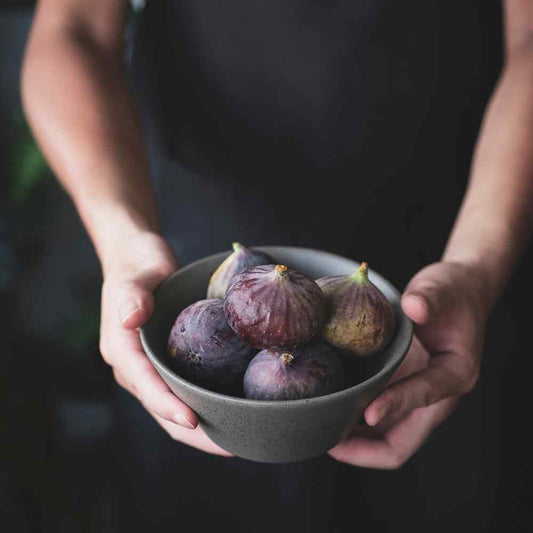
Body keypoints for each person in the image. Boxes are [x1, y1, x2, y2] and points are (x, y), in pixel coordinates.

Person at [20, 0, 533, 528]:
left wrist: (479, 265)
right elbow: (73, 28)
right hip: (195, 266)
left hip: (448, 276)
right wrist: (124, 239)